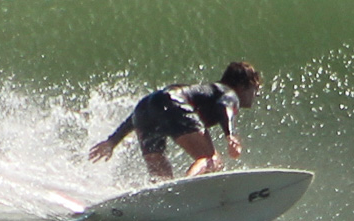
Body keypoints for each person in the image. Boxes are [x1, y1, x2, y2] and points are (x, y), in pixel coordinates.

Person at [88, 61, 262, 180]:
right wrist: (229, 135)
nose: (256, 94)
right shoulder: (229, 93)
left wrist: (113, 141)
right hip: (172, 103)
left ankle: (159, 201)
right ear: (243, 85)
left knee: (162, 178)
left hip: (146, 108)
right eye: (255, 88)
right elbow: (224, 106)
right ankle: (185, 187)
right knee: (210, 158)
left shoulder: (205, 91)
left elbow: (144, 110)